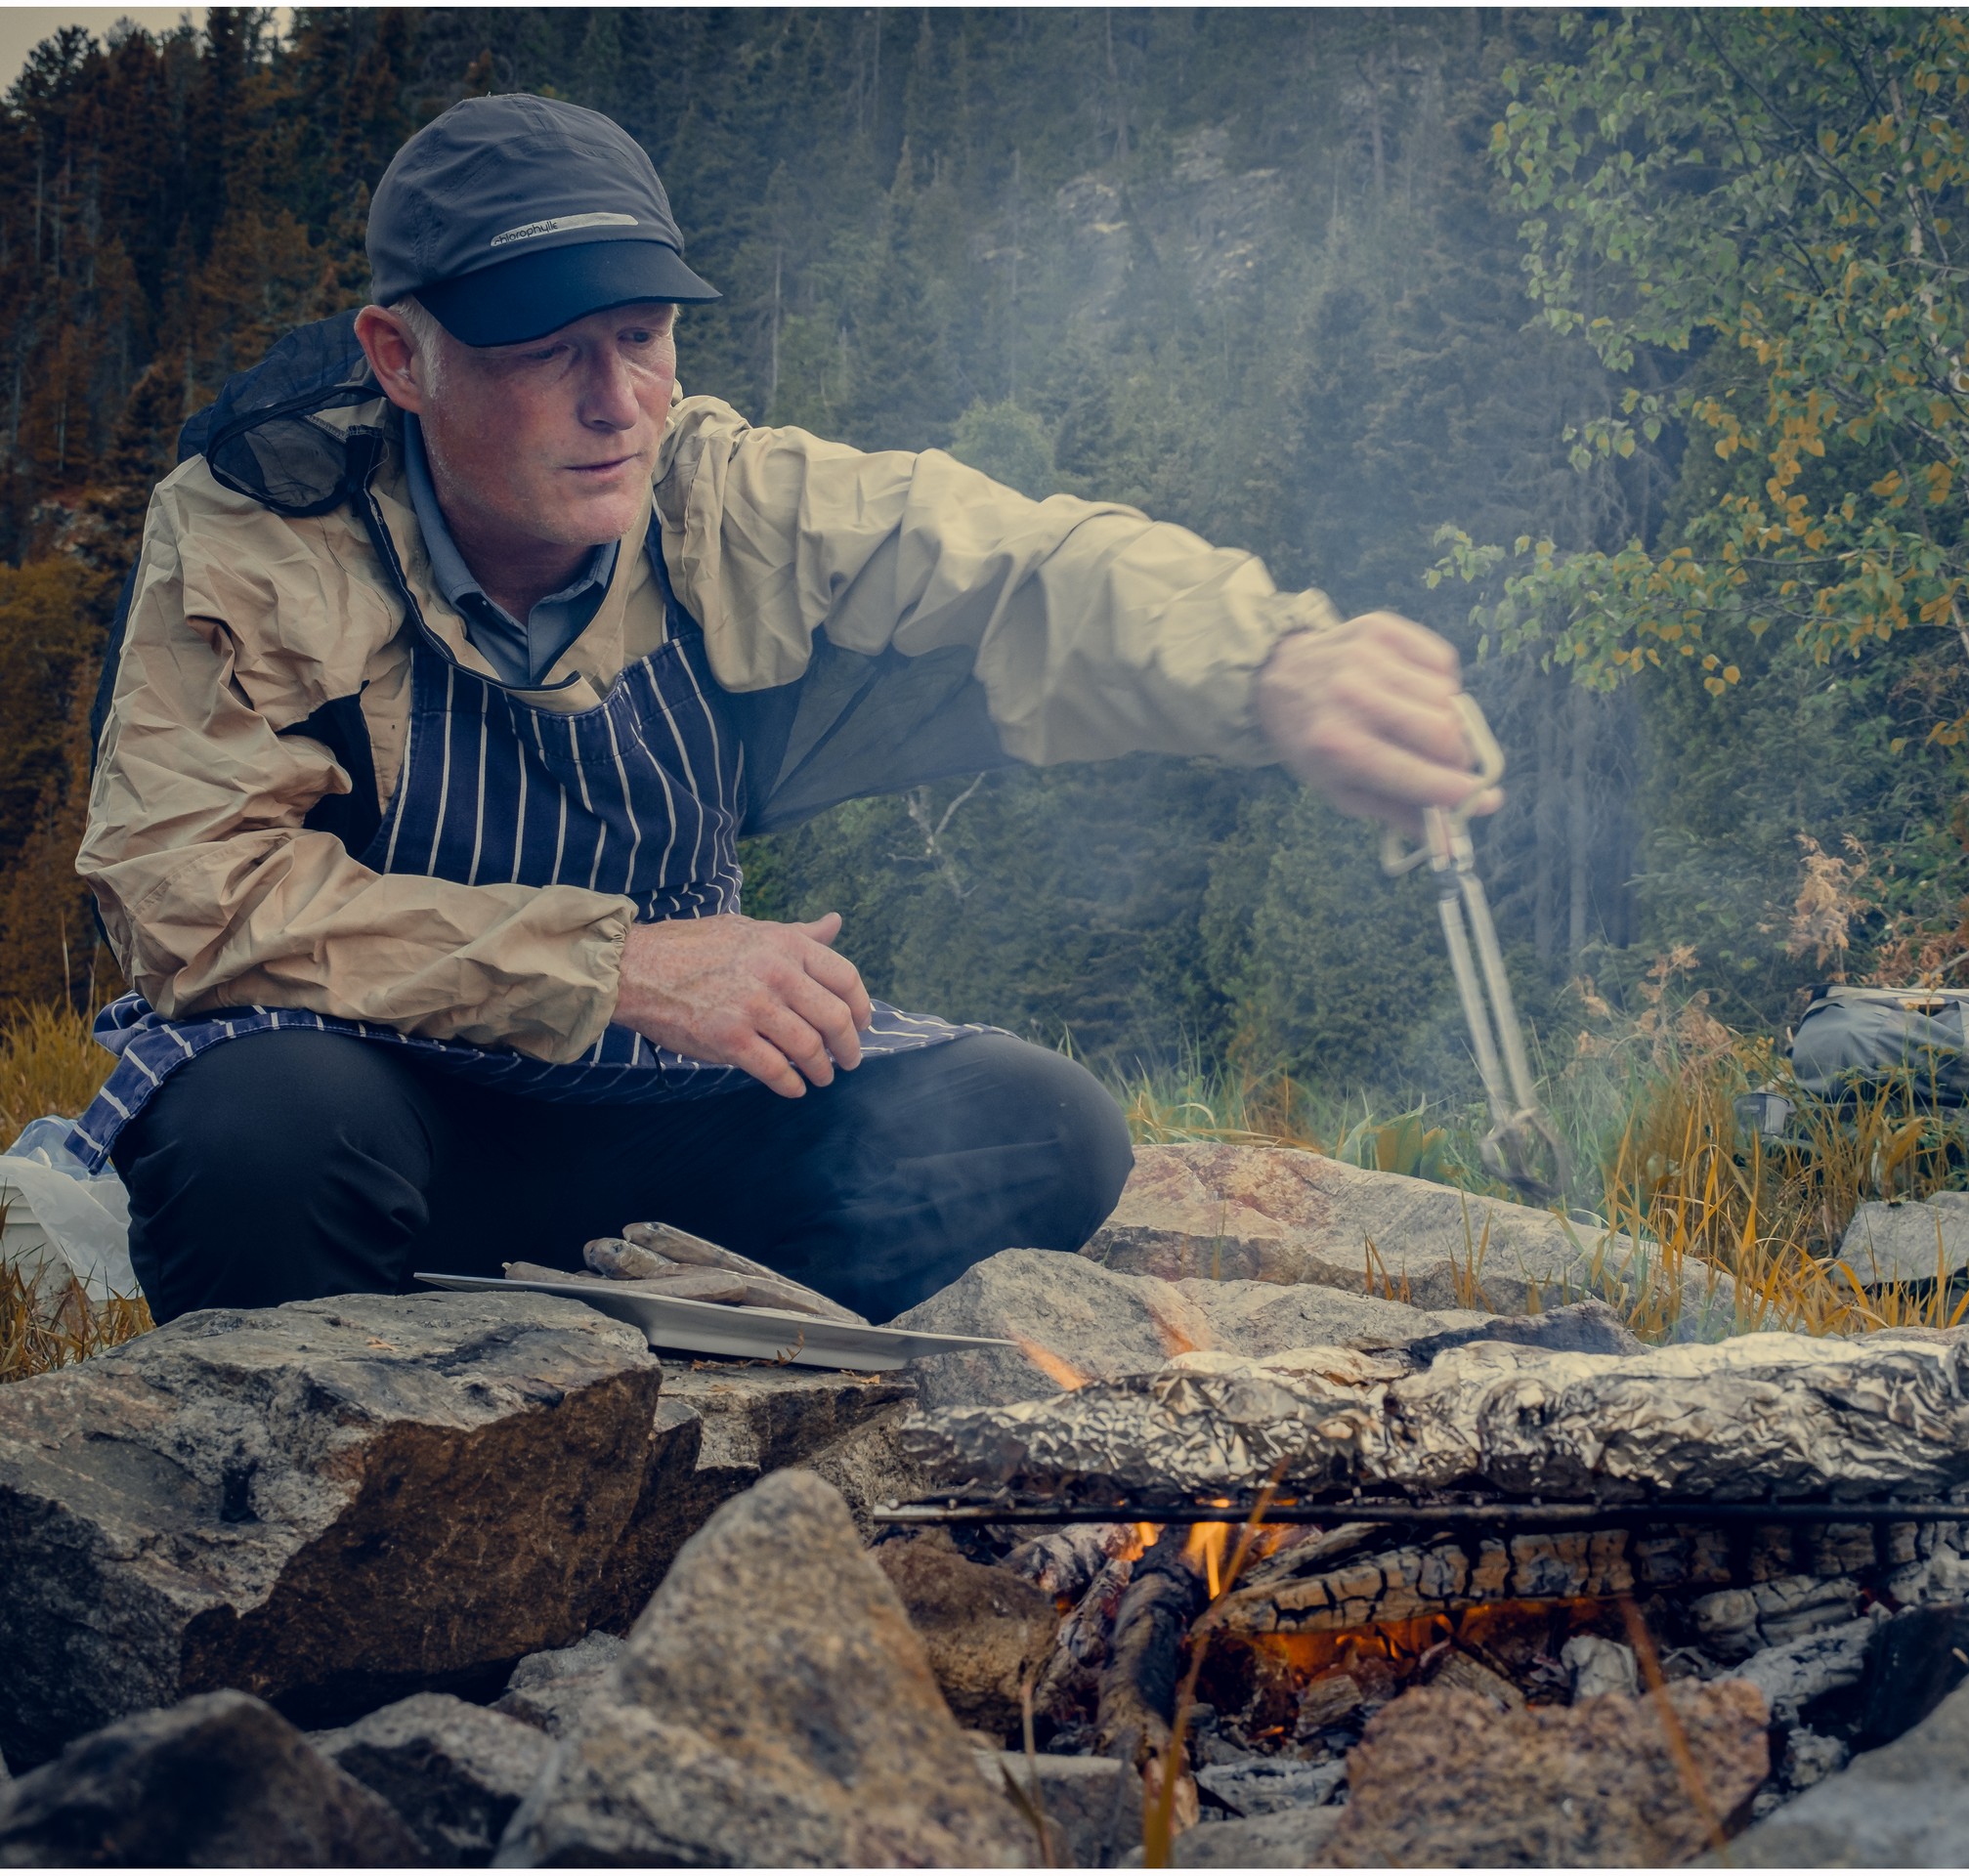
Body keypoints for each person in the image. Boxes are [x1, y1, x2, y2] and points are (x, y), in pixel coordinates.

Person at [74, 96, 1487, 1324]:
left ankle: (657, 1365)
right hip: (383, 1114)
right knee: (252, 1139)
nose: (616, 401)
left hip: (661, 1122)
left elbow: (1012, 563)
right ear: (399, 356)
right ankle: (361, 1510)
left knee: (1033, 1129)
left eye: (641, 338)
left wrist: (1277, 666)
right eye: (546, 351)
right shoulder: (257, 530)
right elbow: (191, 900)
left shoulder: (717, 488)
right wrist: (617, 965)